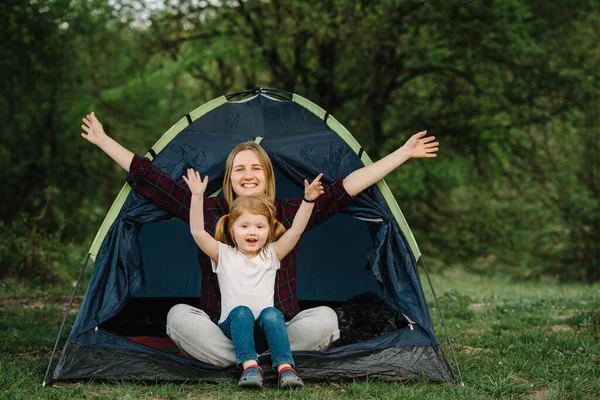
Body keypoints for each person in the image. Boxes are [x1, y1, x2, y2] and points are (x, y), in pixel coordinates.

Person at [80, 111, 438, 368]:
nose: (248, 175)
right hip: (224, 330)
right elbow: (152, 180)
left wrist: (402, 154)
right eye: (239, 168)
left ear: (266, 176)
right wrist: (103, 140)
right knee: (177, 317)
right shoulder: (207, 211)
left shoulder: (289, 212)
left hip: (280, 327)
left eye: (255, 168)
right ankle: (259, 362)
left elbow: (347, 188)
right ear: (230, 178)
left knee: (326, 319)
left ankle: (259, 359)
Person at [182, 168, 324, 388]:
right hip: (233, 329)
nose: (252, 232)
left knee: (273, 313)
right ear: (232, 228)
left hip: (265, 331)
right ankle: (250, 366)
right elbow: (198, 233)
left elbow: (295, 231)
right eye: (245, 226)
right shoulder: (224, 254)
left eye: (260, 227)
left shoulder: (271, 255)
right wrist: (198, 196)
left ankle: (285, 367)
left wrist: (308, 200)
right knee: (241, 312)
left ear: (269, 229)